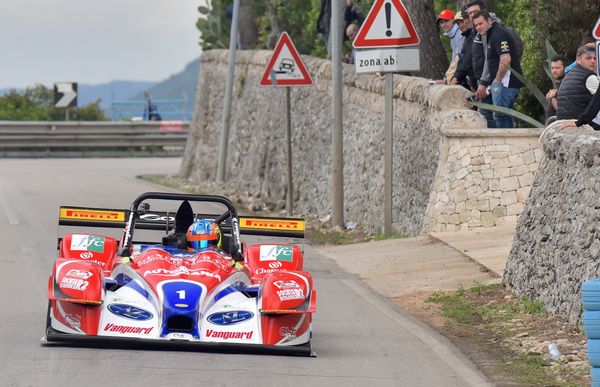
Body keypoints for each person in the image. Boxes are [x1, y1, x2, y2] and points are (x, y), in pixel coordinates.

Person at [473, 10, 524, 128]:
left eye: (480, 24)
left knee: (501, 115)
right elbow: (489, 60)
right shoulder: (488, 34)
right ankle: (494, 143)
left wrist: (497, 80)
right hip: (496, 83)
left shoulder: (498, 33)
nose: (478, 27)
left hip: (506, 83)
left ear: (489, 21)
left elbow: (506, 59)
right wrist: (484, 83)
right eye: (476, 25)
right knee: (486, 111)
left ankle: (506, 144)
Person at [557, 45, 598, 123]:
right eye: (588, 58)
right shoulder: (590, 77)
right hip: (579, 123)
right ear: (578, 60)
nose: (592, 61)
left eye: (595, 58)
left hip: (561, 122)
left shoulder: (567, 76)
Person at [435, 9, 465, 84]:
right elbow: (453, 60)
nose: (443, 25)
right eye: (441, 22)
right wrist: (446, 78)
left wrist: (448, 79)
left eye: (446, 21)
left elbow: (458, 59)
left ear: (453, 21)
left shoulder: (460, 34)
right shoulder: (453, 36)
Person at [451, 8, 476, 90]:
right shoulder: (467, 37)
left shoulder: (473, 36)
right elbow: (461, 59)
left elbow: (468, 59)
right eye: (458, 24)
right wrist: (455, 76)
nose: (461, 25)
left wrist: (457, 77)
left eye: (462, 21)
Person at [545, 55, 567, 122]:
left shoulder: (566, 84)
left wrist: (552, 98)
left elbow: (561, 110)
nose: (554, 71)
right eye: (552, 68)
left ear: (565, 68)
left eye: (557, 68)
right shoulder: (560, 84)